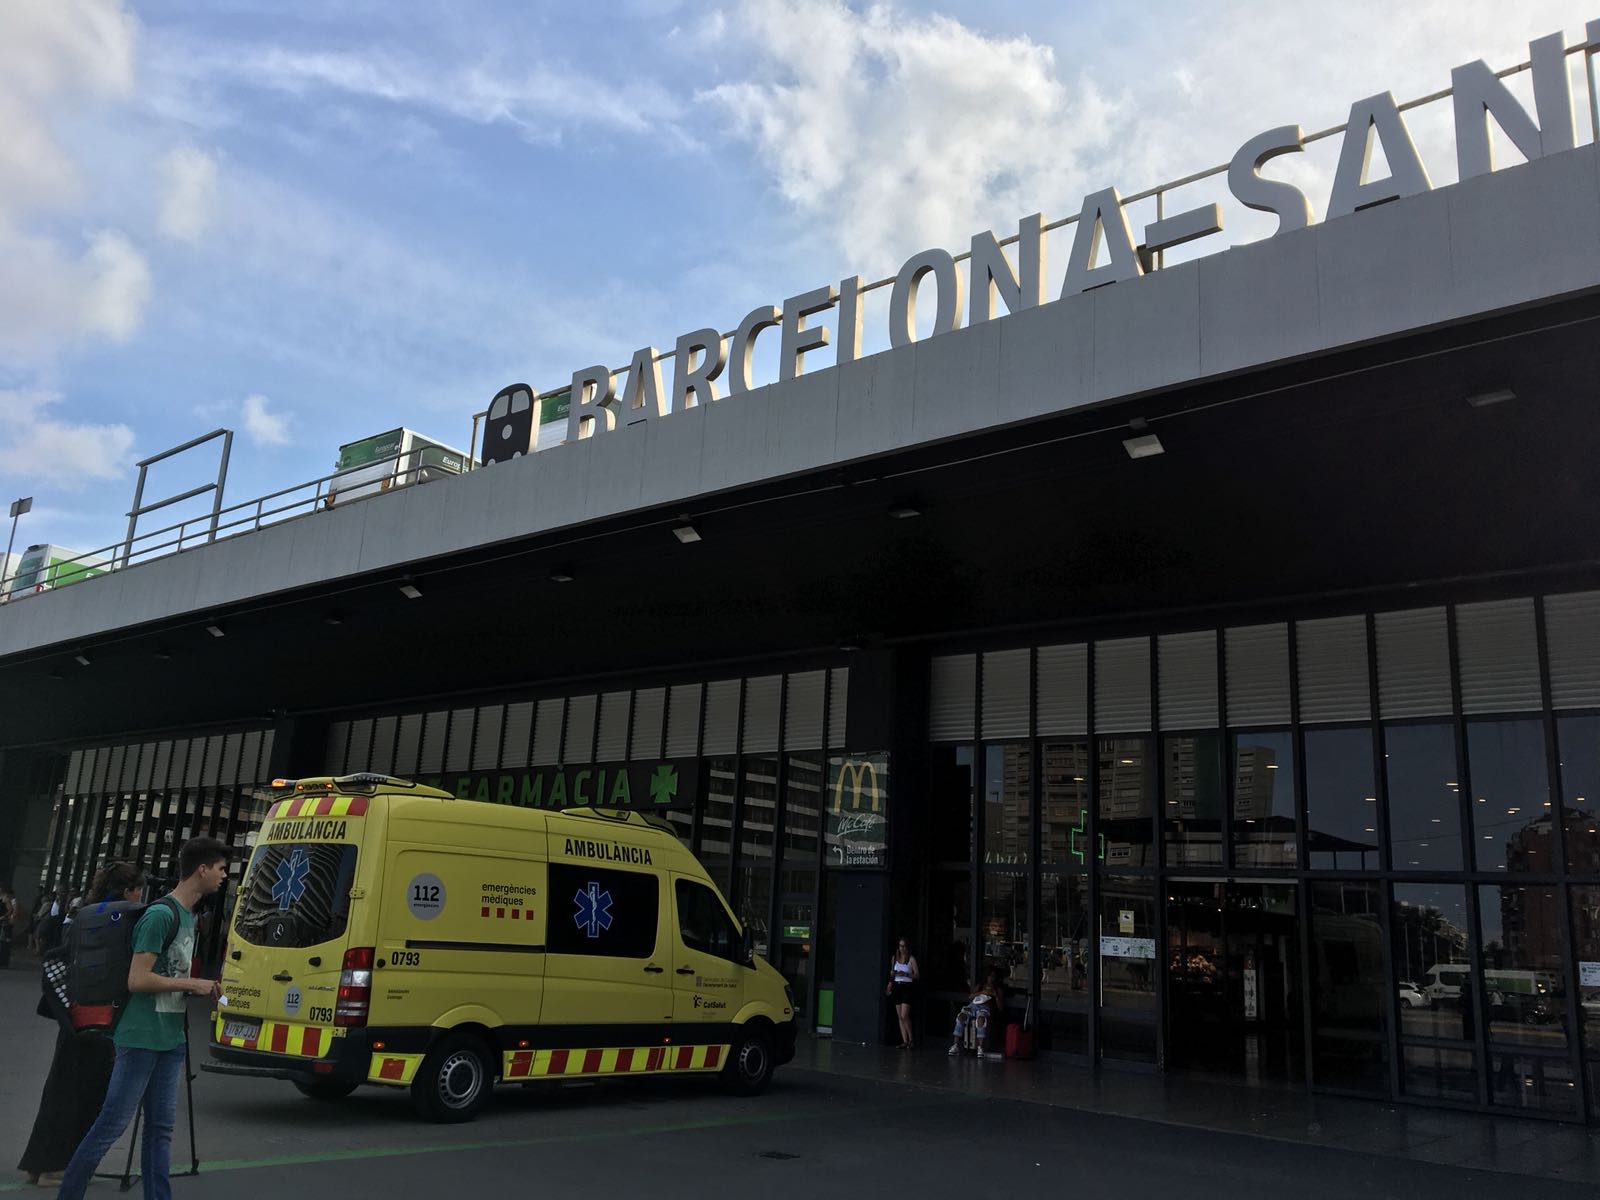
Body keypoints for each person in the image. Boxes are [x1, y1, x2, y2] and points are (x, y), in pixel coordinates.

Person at [57, 838, 229, 1200]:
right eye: (220, 868)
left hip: (170, 1039)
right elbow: (137, 980)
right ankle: (69, 1194)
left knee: (161, 1129)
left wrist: (195, 987)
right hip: (139, 1038)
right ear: (202, 869)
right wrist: (192, 983)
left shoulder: (188, 916)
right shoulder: (160, 915)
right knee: (112, 1124)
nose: (223, 876)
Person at [18, 864, 146, 1189]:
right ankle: (58, 1167)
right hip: (103, 1016)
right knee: (89, 1094)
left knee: (59, 1089)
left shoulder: (84, 914)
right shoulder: (127, 918)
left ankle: (40, 1164)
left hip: (72, 1015)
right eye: (138, 888)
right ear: (129, 890)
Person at [948, 966, 1005, 1060]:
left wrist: (995, 996)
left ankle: (980, 1047)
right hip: (973, 1006)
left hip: (984, 1008)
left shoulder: (998, 989)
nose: (991, 978)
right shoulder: (981, 985)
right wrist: (983, 992)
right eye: (990, 976)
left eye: (993, 976)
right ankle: (955, 1045)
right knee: (961, 1017)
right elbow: (971, 996)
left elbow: (1000, 1008)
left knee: (981, 1020)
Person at [885, 938, 920, 1049]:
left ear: (907, 947)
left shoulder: (911, 959)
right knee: (900, 1016)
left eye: (904, 946)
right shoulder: (894, 958)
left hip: (907, 987)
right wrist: (890, 981)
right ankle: (904, 1041)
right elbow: (892, 974)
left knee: (905, 1015)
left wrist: (905, 974)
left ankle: (911, 1040)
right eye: (900, 946)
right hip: (896, 986)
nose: (902, 948)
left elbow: (917, 975)